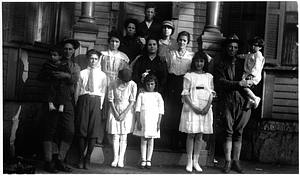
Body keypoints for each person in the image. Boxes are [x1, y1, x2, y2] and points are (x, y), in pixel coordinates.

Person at [37, 38, 81, 173]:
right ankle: (48, 161)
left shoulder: (75, 67)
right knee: (51, 130)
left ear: (74, 51)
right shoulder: (53, 62)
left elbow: (75, 79)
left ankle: (60, 160)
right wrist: (52, 74)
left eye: (70, 49)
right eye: (65, 49)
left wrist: (66, 75)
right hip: (53, 99)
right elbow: (41, 76)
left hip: (67, 100)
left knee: (69, 130)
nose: (67, 51)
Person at [214, 34, 253, 174]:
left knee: (239, 131)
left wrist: (248, 84)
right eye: (230, 47)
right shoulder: (220, 64)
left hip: (242, 100)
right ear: (226, 48)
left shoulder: (243, 63)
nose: (233, 49)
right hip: (227, 100)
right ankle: (228, 161)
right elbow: (221, 82)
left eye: (235, 47)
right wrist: (238, 84)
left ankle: (236, 161)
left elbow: (251, 79)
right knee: (228, 131)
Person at [179, 51, 215, 172]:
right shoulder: (189, 76)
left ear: (205, 63)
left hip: (204, 107)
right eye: (197, 61)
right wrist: (194, 107)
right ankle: (189, 161)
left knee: (199, 135)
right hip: (192, 106)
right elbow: (185, 93)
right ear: (194, 62)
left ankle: (196, 162)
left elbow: (211, 93)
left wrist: (207, 107)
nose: (199, 64)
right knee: (191, 134)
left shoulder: (209, 76)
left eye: (202, 61)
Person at [74, 49, 107, 170]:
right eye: (91, 59)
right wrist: (78, 104)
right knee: (82, 130)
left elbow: (103, 92)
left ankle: (88, 158)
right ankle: (81, 157)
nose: (93, 61)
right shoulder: (82, 73)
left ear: (99, 60)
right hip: (84, 100)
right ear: (88, 59)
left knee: (93, 131)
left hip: (96, 101)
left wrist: (100, 105)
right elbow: (77, 90)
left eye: (95, 59)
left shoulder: (103, 75)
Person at [163, 31, 195, 151]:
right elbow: (168, 68)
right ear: (177, 41)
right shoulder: (171, 54)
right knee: (172, 112)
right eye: (180, 40)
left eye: (184, 40)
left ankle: (181, 141)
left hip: (184, 83)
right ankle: (172, 141)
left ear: (187, 42)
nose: (182, 42)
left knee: (182, 111)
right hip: (172, 84)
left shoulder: (191, 56)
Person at [99, 29, 130, 144]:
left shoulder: (123, 57)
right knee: (104, 108)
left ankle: (111, 137)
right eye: (112, 41)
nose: (114, 44)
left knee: (114, 108)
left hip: (117, 83)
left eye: (116, 42)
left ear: (120, 43)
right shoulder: (102, 55)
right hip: (104, 82)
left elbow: (125, 73)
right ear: (109, 42)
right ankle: (100, 135)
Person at [106, 68, 137, 168]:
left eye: (126, 81)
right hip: (115, 109)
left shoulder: (132, 85)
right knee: (115, 135)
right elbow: (110, 99)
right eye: (123, 80)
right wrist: (115, 112)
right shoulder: (113, 83)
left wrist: (124, 114)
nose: (124, 83)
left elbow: (132, 101)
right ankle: (115, 158)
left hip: (127, 110)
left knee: (123, 136)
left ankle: (121, 158)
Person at [133, 74, 164, 169]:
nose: (150, 86)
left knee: (151, 139)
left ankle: (149, 160)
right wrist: (138, 121)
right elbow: (137, 109)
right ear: (145, 84)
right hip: (143, 119)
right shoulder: (142, 95)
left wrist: (158, 123)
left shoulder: (158, 95)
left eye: (152, 84)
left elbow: (161, 110)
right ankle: (143, 159)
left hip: (153, 120)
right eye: (148, 84)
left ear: (155, 84)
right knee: (143, 139)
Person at [38, 46, 71, 113]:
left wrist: (64, 75)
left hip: (61, 85)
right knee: (50, 87)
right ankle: (50, 104)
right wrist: (50, 74)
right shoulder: (47, 65)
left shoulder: (64, 65)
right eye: (51, 55)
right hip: (51, 83)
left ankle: (61, 105)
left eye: (54, 55)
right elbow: (40, 76)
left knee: (63, 89)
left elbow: (69, 75)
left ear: (60, 56)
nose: (52, 57)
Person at [238, 36, 265, 110]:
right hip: (247, 74)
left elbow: (257, 66)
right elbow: (244, 56)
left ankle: (255, 98)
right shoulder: (250, 54)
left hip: (253, 75)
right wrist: (238, 56)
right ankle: (250, 99)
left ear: (260, 47)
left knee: (244, 87)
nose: (253, 47)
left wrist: (251, 75)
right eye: (252, 45)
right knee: (243, 87)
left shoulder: (258, 55)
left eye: (255, 45)